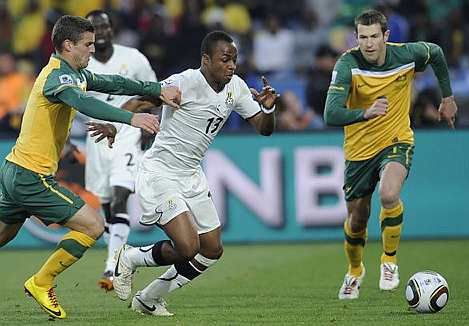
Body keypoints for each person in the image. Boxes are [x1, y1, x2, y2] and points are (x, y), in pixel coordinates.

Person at [0, 15, 180, 319]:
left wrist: (156, 89)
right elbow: (84, 104)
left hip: (15, 169)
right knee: (94, 225)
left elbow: (115, 82)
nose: (92, 51)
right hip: (32, 175)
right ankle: (41, 282)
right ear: (68, 45)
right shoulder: (58, 76)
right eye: (87, 45)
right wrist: (131, 118)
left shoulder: (71, 73)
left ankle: (41, 281)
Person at [112, 30, 277, 316]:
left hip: (191, 175)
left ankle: (149, 298)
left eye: (234, 60)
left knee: (211, 249)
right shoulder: (183, 82)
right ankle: (129, 257)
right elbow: (140, 101)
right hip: (160, 173)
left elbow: (264, 128)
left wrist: (268, 108)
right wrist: (114, 125)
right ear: (206, 59)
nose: (232, 66)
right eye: (225, 59)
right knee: (188, 246)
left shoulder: (235, 88)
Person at [324, 9, 457, 300]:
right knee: (357, 220)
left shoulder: (406, 55)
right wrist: (364, 113)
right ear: (355, 37)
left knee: (388, 193)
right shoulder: (348, 64)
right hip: (358, 151)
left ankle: (389, 260)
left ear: (386, 36)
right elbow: (330, 113)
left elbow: (435, 52)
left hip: (396, 140)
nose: (368, 44)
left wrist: (447, 97)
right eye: (362, 37)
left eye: (374, 37)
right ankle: (355, 270)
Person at [84, 10, 158, 291]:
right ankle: (119, 256)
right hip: (96, 138)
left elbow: (154, 92)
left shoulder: (134, 58)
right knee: (106, 209)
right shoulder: (81, 63)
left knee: (119, 197)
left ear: (112, 29)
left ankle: (112, 268)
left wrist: (149, 125)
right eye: (94, 28)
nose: (100, 31)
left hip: (128, 132)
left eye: (104, 26)